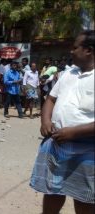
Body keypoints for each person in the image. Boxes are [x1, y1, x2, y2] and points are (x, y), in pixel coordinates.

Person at [30, 30, 95, 213]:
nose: (71, 52)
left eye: (75, 48)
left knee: (84, 196)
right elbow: (50, 99)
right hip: (57, 143)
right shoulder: (67, 74)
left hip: (88, 148)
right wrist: (45, 121)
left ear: (88, 50)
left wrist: (73, 132)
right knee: (52, 190)